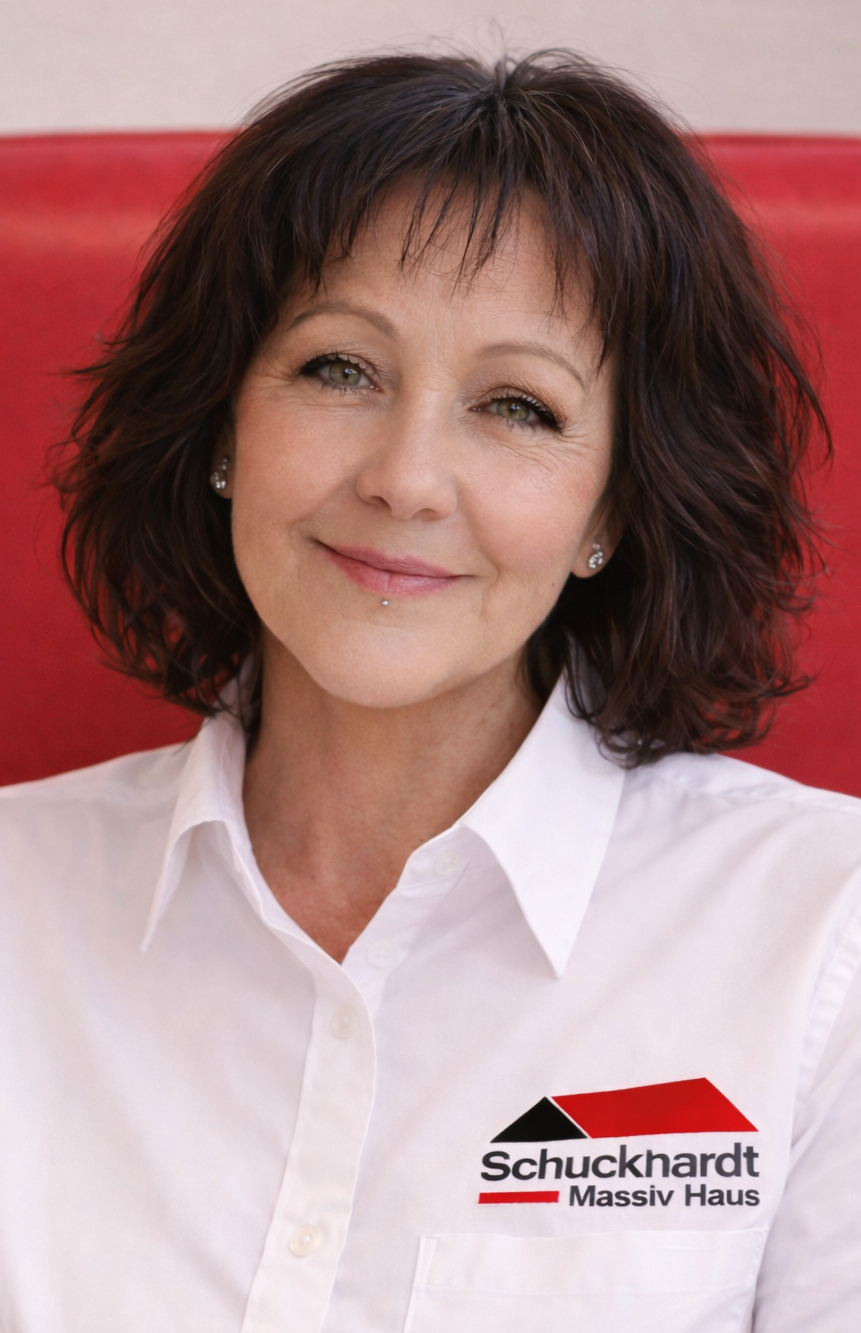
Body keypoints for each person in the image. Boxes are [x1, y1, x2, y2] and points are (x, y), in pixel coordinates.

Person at [0, 49, 859, 1333]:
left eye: (518, 406)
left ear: (613, 509)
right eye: (339, 369)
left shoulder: (825, 938)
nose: (406, 478)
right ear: (224, 426)